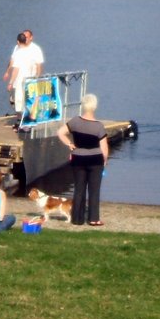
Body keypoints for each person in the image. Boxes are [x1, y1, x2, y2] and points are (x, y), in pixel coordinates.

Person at [57, 93, 108, 226]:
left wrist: (70, 144)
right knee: (94, 191)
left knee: (79, 189)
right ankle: (93, 219)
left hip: (78, 159)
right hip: (95, 161)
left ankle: (77, 219)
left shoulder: (75, 121)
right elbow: (104, 148)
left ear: (83, 106)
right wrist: (105, 161)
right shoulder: (99, 126)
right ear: (95, 107)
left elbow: (60, 133)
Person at [7, 30, 44, 123]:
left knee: (24, 101)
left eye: (27, 37)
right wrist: (7, 72)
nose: (26, 38)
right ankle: (22, 121)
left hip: (26, 80)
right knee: (18, 101)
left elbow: (38, 65)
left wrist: (37, 77)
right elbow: (13, 61)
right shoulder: (19, 49)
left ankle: (26, 122)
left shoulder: (32, 50)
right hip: (22, 80)